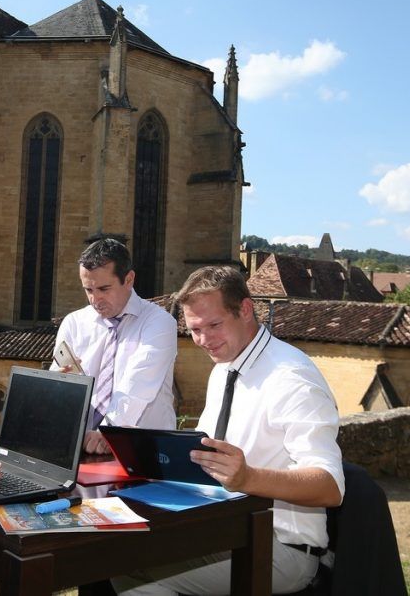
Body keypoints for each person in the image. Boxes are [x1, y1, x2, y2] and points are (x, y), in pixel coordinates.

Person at [115, 265, 344, 595]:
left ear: (246, 309)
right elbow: (206, 455)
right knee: (116, 559)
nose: (204, 340)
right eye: (195, 329)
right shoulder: (225, 367)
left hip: (282, 550)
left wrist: (248, 477)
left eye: (214, 325)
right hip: (224, 530)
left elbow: (330, 486)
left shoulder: (292, 379)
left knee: (142, 588)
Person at [55, 238, 177, 454]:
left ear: (129, 279)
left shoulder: (159, 322)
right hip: (82, 449)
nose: (95, 299)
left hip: (144, 454)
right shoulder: (73, 323)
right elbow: (56, 387)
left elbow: (138, 385)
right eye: (88, 290)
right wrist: (62, 383)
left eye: (104, 288)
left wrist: (109, 431)